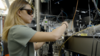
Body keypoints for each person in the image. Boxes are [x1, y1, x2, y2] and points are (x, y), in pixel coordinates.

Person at [2, 0, 68, 56]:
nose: (32, 15)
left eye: (32, 12)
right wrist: (65, 24)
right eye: (29, 12)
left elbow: (35, 46)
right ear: (19, 12)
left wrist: (45, 37)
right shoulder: (17, 30)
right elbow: (55, 36)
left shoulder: (17, 29)